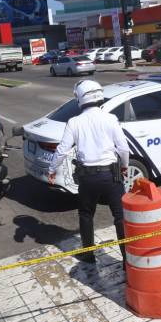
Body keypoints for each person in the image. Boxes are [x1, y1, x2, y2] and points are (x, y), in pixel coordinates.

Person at [48, 80, 130, 264]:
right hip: (111, 175)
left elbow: (62, 150)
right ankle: (127, 259)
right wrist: (124, 166)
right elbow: (123, 149)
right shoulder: (110, 118)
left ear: (80, 98)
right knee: (120, 217)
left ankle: (89, 255)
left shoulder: (74, 122)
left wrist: (52, 169)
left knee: (86, 215)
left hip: (88, 177)